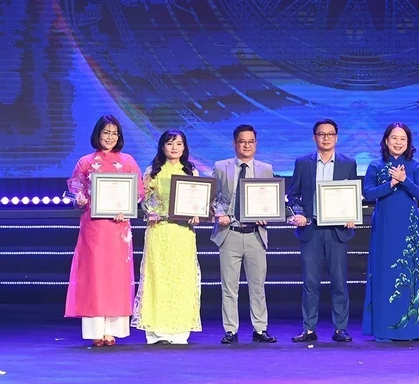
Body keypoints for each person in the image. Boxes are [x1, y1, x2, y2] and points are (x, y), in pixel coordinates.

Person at [65, 115, 143, 347]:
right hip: (94, 227)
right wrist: (78, 199)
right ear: (97, 134)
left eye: (114, 133)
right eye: (106, 132)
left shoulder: (128, 161)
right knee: (95, 276)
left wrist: (126, 209)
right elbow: (76, 192)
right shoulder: (85, 162)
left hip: (119, 228)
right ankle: (96, 330)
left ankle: (113, 331)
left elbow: (138, 192)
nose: (110, 137)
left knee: (116, 277)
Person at [286, 119, 358, 343]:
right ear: (314, 137)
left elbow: (353, 194)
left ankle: (340, 328)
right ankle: (309, 328)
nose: (326, 138)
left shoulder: (348, 163)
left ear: (336, 137)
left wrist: (351, 215)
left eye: (330, 134)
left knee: (339, 281)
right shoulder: (303, 162)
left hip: (337, 230)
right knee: (310, 282)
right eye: (321, 134)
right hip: (312, 229)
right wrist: (298, 214)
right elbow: (294, 195)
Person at [132, 130, 203, 344]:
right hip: (159, 231)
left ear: (184, 147)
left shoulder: (192, 172)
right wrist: (148, 211)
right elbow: (143, 200)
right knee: (158, 277)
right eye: (170, 143)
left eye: (179, 144)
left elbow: (198, 200)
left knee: (182, 278)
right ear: (162, 146)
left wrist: (197, 214)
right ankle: (155, 331)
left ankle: (179, 331)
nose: (174, 148)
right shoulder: (152, 171)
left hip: (182, 233)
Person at [362, 123, 419, 342]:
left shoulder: (415, 165)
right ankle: (383, 328)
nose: (398, 142)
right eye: (394, 138)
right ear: (386, 141)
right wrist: (390, 183)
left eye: (403, 139)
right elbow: (368, 193)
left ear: (408, 142)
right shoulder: (374, 165)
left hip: (409, 225)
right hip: (385, 225)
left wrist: (404, 180)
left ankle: (410, 329)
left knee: (409, 271)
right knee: (384, 272)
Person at [211, 124, 276, 344]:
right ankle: (230, 330)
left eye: (251, 141)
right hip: (229, 233)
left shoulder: (266, 168)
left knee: (257, 286)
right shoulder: (221, 167)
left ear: (255, 144)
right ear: (234, 143)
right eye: (242, 141)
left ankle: (260, 329)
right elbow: (213, 197)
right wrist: (219, 214)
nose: (246, 145)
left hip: (256, 234)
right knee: (229, 286)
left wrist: (267, 213)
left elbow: (270, 199)